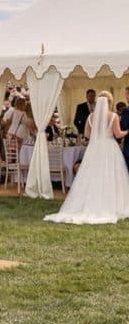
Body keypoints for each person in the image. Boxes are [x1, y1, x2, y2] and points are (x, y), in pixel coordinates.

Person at [45, 91, 129, 224]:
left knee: (92, 175)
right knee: (110, 175)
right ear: (109, 102)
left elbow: (87, 135)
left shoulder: (90, 116)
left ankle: (90, 201)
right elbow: (118, 134)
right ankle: (112, 204)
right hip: (109, 148)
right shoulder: (113, 116)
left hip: (94, 149)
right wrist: (127, 131)